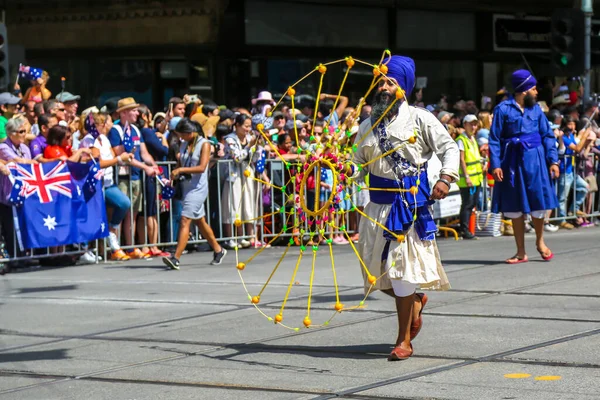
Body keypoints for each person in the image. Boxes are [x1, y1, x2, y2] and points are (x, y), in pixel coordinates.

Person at [352, 55, 459, 360]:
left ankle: (403, 341)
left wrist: (446, 177)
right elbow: (358, 162)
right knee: (375, 275)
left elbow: (449, 147)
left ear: (404, 88)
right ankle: (414, 300)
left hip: (407, 208)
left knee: (401, 273)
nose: (384, 87)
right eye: (381, 81)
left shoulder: (420, 118)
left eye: (391, 82)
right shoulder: (367, 125)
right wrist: (345, 170)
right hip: (375, 209)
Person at [489, 69, 559, 264]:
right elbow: (494, 139)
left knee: (538, 202)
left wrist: (553, 161)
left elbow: (547, 135)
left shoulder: (536, 110)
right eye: (534, 88)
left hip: (535, 162)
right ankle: (520, 252)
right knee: (514, 206)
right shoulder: (503, 109)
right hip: (511, 162)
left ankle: (540, 242)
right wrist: (495, 165)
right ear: (524, 90)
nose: (537, 92)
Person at [162, 119, 227, 270]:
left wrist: (181, 170)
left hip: (198, 188)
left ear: (190, 132)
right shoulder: (184, 144)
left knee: (185, 220)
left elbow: (202, 167)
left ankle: (176, 258)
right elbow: (182, 162)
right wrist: (175, 174)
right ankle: (218, 250)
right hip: (186, 186)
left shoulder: (204, 144)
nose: (180, 138)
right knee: (199, 221)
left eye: (182, 135)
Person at [456, 114, 483, 239]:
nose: (473, 127)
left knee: (472, 204)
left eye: (475, 124)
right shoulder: (462, 140)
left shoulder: (472, 139)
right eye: (471, 124)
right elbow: (461, 160)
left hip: (476, 178)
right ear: (465, 125)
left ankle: (467, 229)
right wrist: (466, 176)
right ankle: (464, 230)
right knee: (467, 204)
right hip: (467, 179)